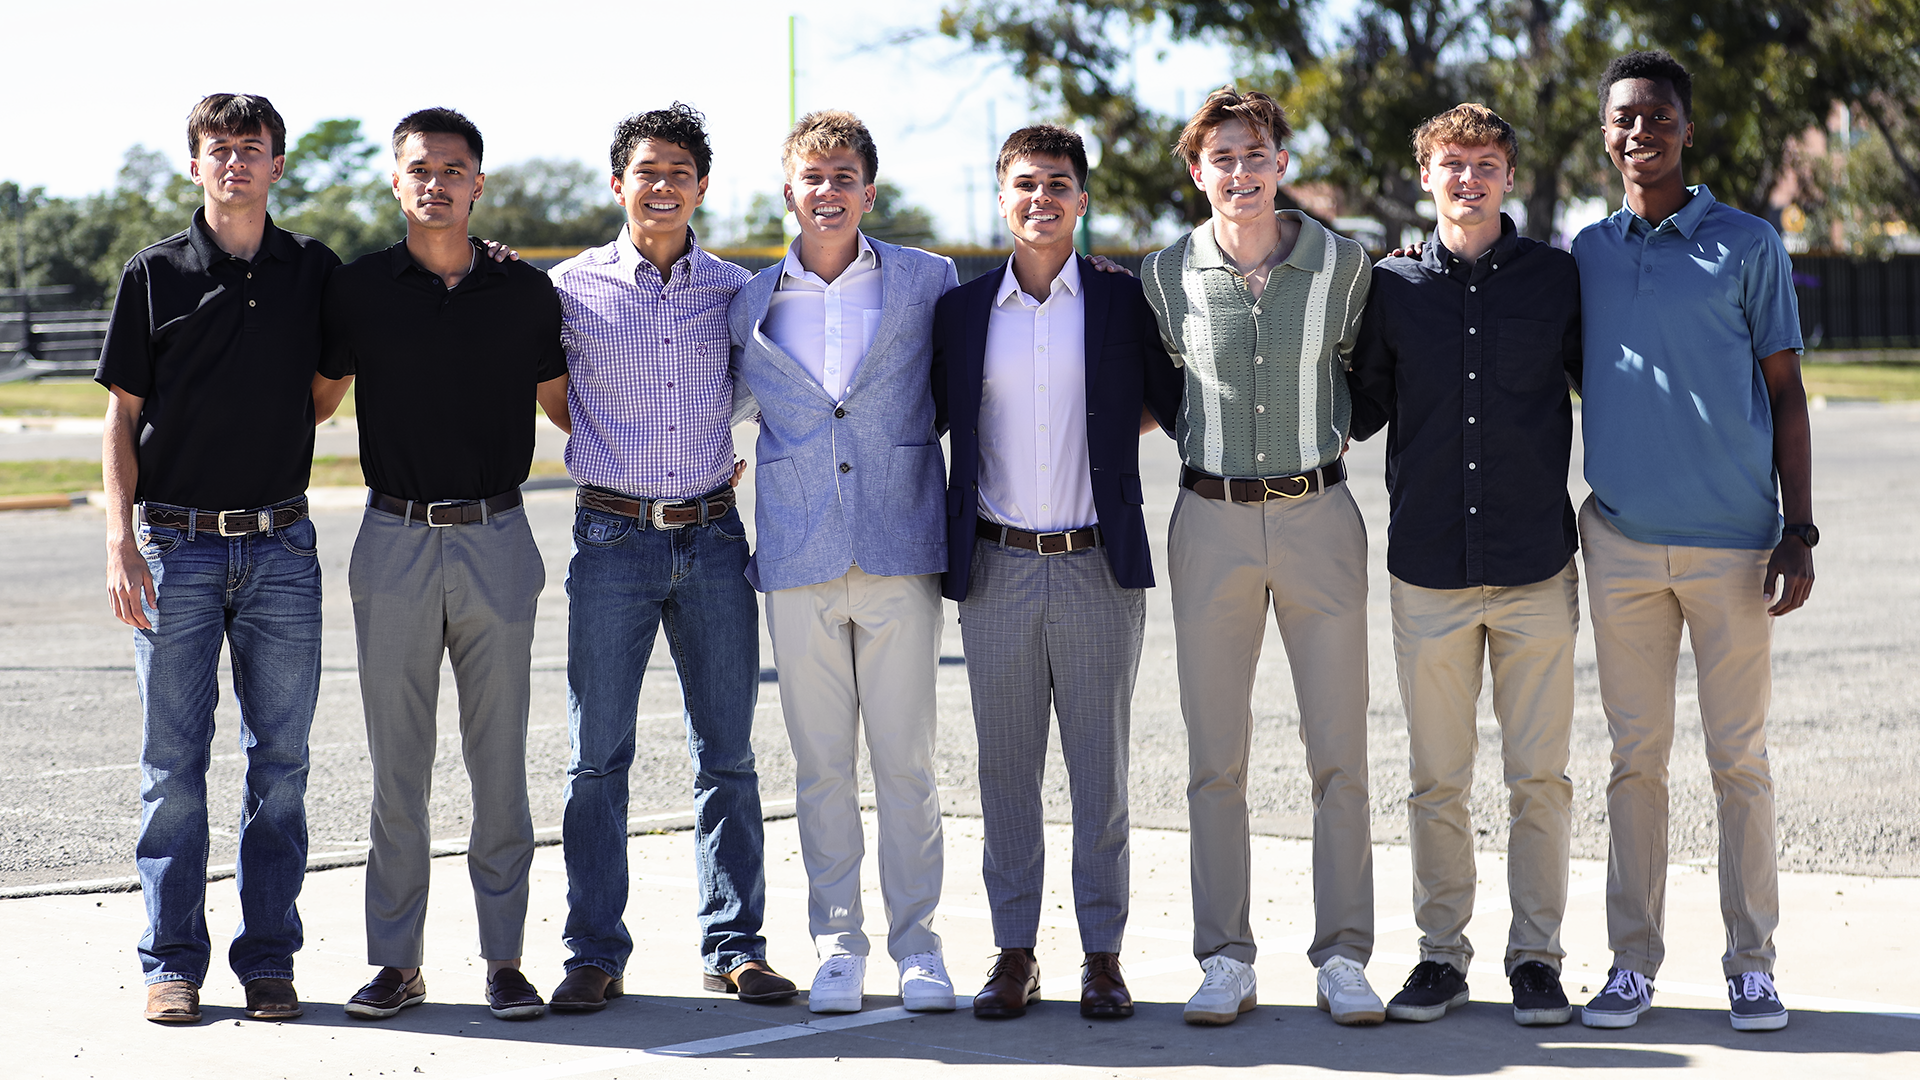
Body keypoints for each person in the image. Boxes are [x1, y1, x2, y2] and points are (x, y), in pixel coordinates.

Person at [1572, 50, 1813, 1033]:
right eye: (1625, 117)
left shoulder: (1749, 243)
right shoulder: (1582, 251)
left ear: (1686, 127)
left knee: (1738, 761)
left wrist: (1798, 529)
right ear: (1607, 133)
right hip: (1621, 546)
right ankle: (1632, 964)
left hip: (1735, 549)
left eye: (1659, 115)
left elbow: (1789, 394)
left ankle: (1752, 965)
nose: (1642, 131)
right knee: (1636, 761)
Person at [314, 107, 569, 1022]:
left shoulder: (526, 293)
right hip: (392, 542)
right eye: (419, 167)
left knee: (499, 764)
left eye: (453, 169)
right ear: (396, 180)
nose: (435, 181)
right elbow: (308, 403)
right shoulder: (355, 290)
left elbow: (574, 412)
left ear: (478, 186)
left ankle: (504, 959)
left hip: (499, 537)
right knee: (398, 767)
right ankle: (397, 962)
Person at [1137, 87, 1381, 1027]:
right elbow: (1154, 387)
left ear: (1281, 161)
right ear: (1197, 173)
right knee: (1214, 757)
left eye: (1255, 154)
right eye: (1220, 159)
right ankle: (1225, 957)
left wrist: (1332, 437)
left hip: (1320, 515)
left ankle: (1345, 955)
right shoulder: (1162, 277)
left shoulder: (1347, 266)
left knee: (1340, 753)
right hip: (1210, 522)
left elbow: (1371, 376)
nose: (1239, 173)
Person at [545, 103, 795, 1012]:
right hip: (611, 540)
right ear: (618, 184)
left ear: (701, 187)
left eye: (679, 171)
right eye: (646, 171)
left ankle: (735, 945)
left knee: (727, 754)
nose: (662, 185)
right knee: (594, 758)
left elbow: (761, 393)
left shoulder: (737, 290)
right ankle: (594, 953)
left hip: (715, 537)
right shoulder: (569, 287)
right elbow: (561, 403)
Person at [930, 124, 1183, 1022]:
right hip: (996, 566)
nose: (1043, 198)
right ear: (1002, 197)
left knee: (1100, 774)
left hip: (1094, 562)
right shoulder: (961, 312)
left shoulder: (1120, 298)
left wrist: (1105, 446)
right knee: (1006, 772)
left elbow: (1166, 401)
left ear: (1082, 200)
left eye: (1060, 184)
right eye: (1026, 184)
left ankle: (1103, 955)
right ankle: (1014, 952)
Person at [98, 93, 339, 1025]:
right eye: (219, 148)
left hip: (282, 544)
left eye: (253, 148)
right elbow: (120, 416)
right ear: (192, 164)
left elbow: (324, 394)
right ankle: (171, 962)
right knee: (173, 765)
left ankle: (269, 959)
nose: (235, 162)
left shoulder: (313, 271)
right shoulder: (152, 273)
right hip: (175, 546)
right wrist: (121, 540)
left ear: (279, 165)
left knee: (280, 764)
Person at [1346, 103, 1582, 1027]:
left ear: (1509, 176)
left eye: (1486, 162)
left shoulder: (1558, 281)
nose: (1469, 178)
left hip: (1535, 565)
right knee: (1437, 778)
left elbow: (1610, 383)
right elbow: (1357, 409)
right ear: (1427, 174)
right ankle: (1440, 957)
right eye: (1452, 163)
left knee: (1541, 779)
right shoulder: (1391, 287)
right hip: (1429, 569)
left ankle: (1537, 960)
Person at [727, 110, 959, 1015]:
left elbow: (954, 394)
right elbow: (728, 405)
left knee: (907, 763)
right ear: (790, 192)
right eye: (812, 178)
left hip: (902, 544)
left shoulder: (927, 281)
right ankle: (837, 945)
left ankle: (919, 946)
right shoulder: (748, 301)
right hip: (796, 552)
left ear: (870, 189)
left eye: (844, 176)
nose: (828, 192)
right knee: (821, 767)